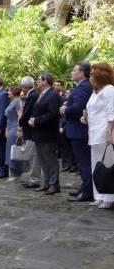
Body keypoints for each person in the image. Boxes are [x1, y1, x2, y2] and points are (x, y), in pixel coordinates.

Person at [81, 63, 114, 209]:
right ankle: (99, 195)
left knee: (107, 164)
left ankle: (109, 197)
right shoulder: (95, 93)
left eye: (92, 74)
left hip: (104, 132)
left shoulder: (109, 90)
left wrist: (109, 132)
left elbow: (111, 112)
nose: (90, 77)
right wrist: (85, 118)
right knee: (96, 165)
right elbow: (93, 111)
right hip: (93, 133)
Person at [60, 62, 93, 202]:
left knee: (84, 163)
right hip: (77, 130)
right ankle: (84, 188)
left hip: (79, 130)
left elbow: (79, 107)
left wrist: (64, 110)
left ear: (82, 72)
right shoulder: (82, 86)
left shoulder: (84, 87)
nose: (72, 73)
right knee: (82, 162)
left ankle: (87, 192)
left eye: (74, 70)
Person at [28, 72, 61, 195]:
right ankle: (46, 183)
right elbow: (38, 110)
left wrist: (36, 120)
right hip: (39, 133)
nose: (37, 81)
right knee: (42, 160)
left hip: (48, 134)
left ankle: (54, 184)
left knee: (50, 159)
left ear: (46, 81)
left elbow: (53, 114)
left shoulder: (53, 95)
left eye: (38, 79)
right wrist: (32, 118)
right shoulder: (41, 94)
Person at [17, 76, 40, 189]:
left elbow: (27, 112)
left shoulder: (32, 96)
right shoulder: (32, 95)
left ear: (24, 87)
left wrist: (20, 122)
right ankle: (33, 178)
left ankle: (34, 179)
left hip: (31, 130)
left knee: (32, 154)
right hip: (30, 130)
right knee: (31, 154)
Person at [4, 84, 23, 181]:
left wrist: (20, 129)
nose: (8, 92)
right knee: (10, 150)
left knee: (13, 151)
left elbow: (20, 116)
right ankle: (14, 173)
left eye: (9, 91)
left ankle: (15, 174)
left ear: (14, 92)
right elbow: (8, 117)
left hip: (15, 128)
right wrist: (7, 129)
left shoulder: (18, 102)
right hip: (10, 128)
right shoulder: (11, 102)